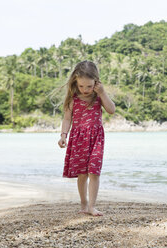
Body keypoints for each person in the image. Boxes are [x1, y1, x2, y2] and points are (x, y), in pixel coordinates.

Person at [58, 60, 115, 216]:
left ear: (96, 82)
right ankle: (83, 203)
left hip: (96, 138)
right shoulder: (73, 99)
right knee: (82, 173)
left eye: (89, 86)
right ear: (76, 83)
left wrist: (102, 93)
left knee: (94, 171)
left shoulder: (98, 97)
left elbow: (111, 110)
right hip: (78, 139)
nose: (85, 90)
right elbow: (67, 119)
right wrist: (63, 135)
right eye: (81, 86)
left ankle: (92, 206)